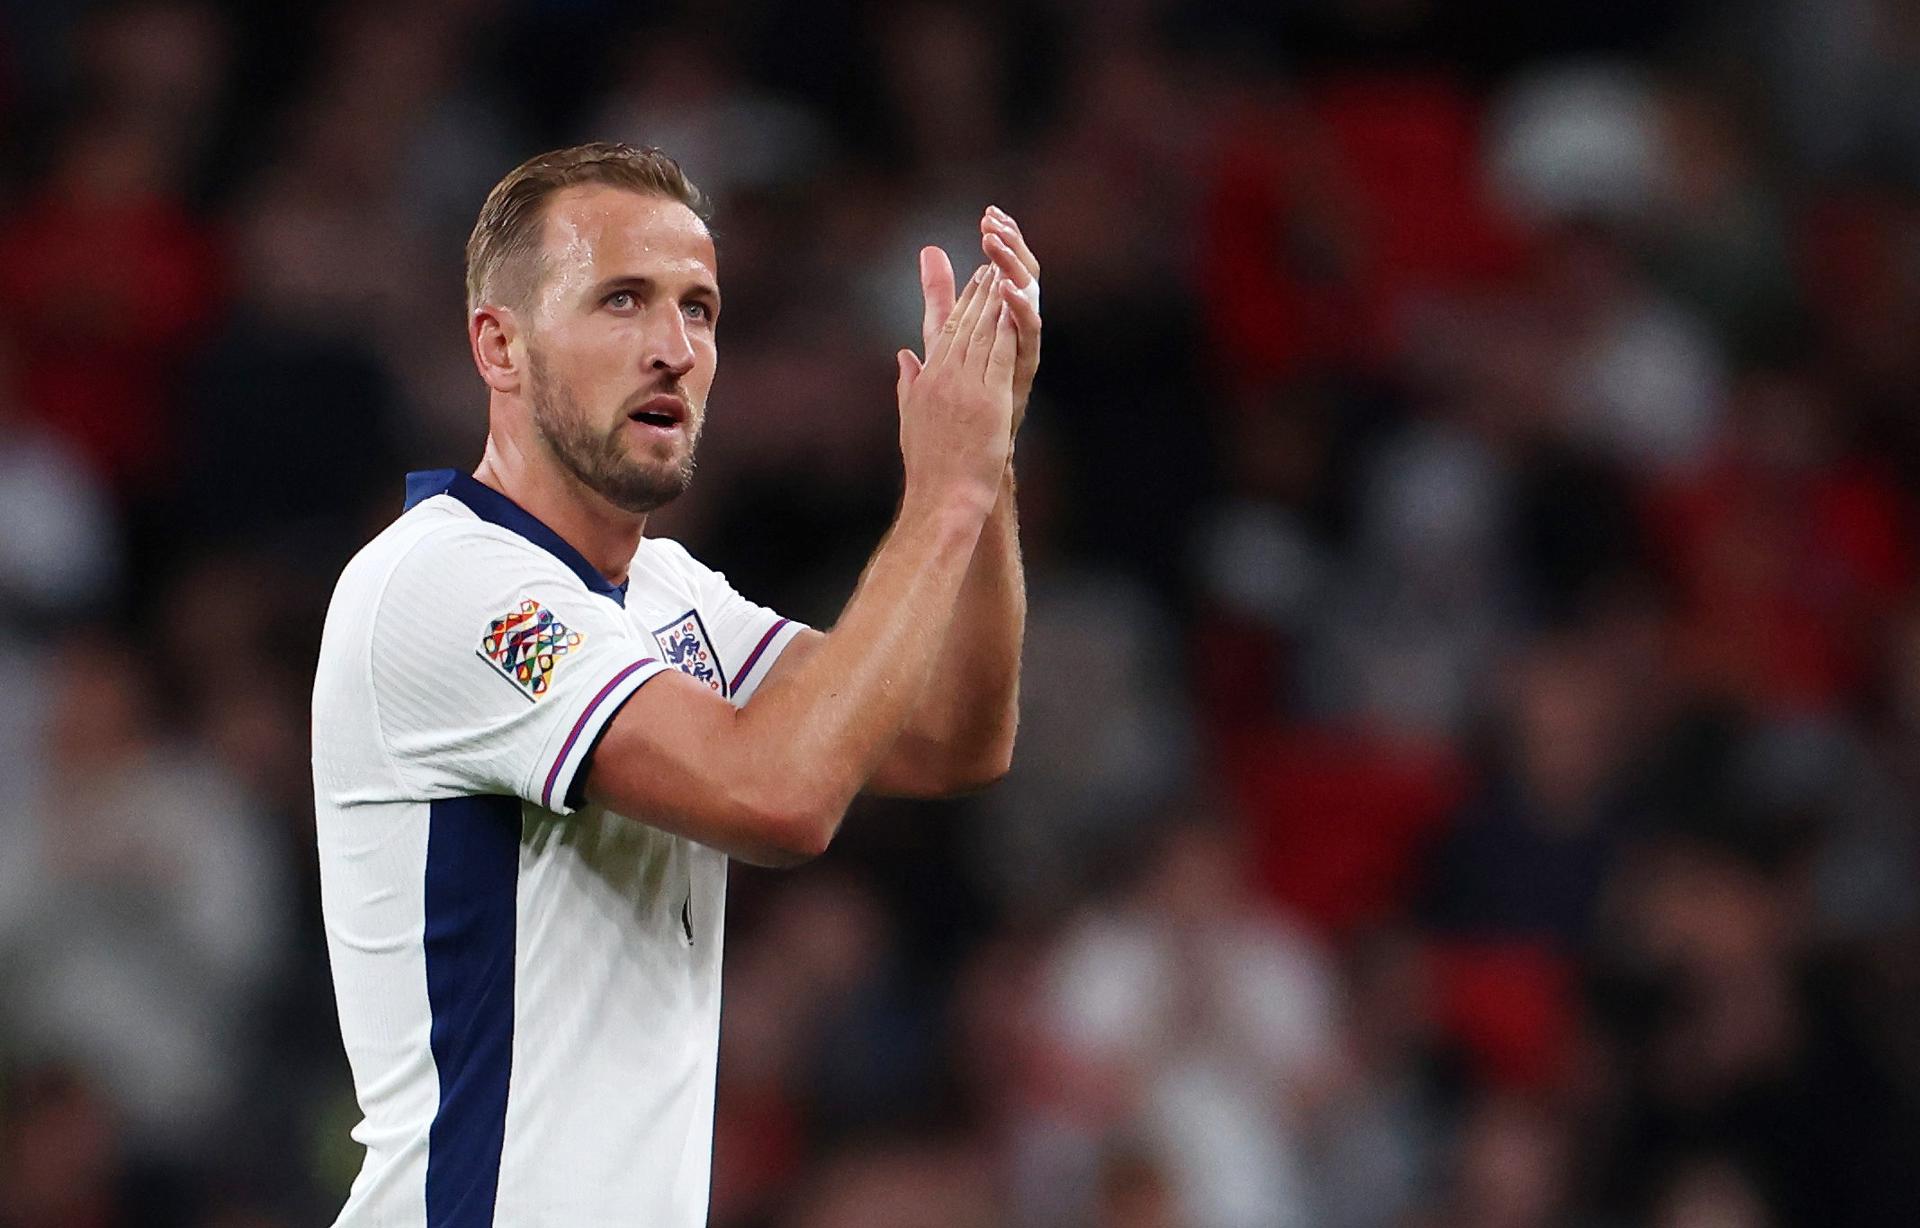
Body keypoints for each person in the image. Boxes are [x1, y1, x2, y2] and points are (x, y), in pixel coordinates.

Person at [310, 142, 1041, 1226]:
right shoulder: (445, 585)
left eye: (699, 309)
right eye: (622, 301)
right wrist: (940, 496)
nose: (673, 348)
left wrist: (986, 464)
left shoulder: (663, 591)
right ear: (498, 346)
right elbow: (779, 795)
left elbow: (950, 735)